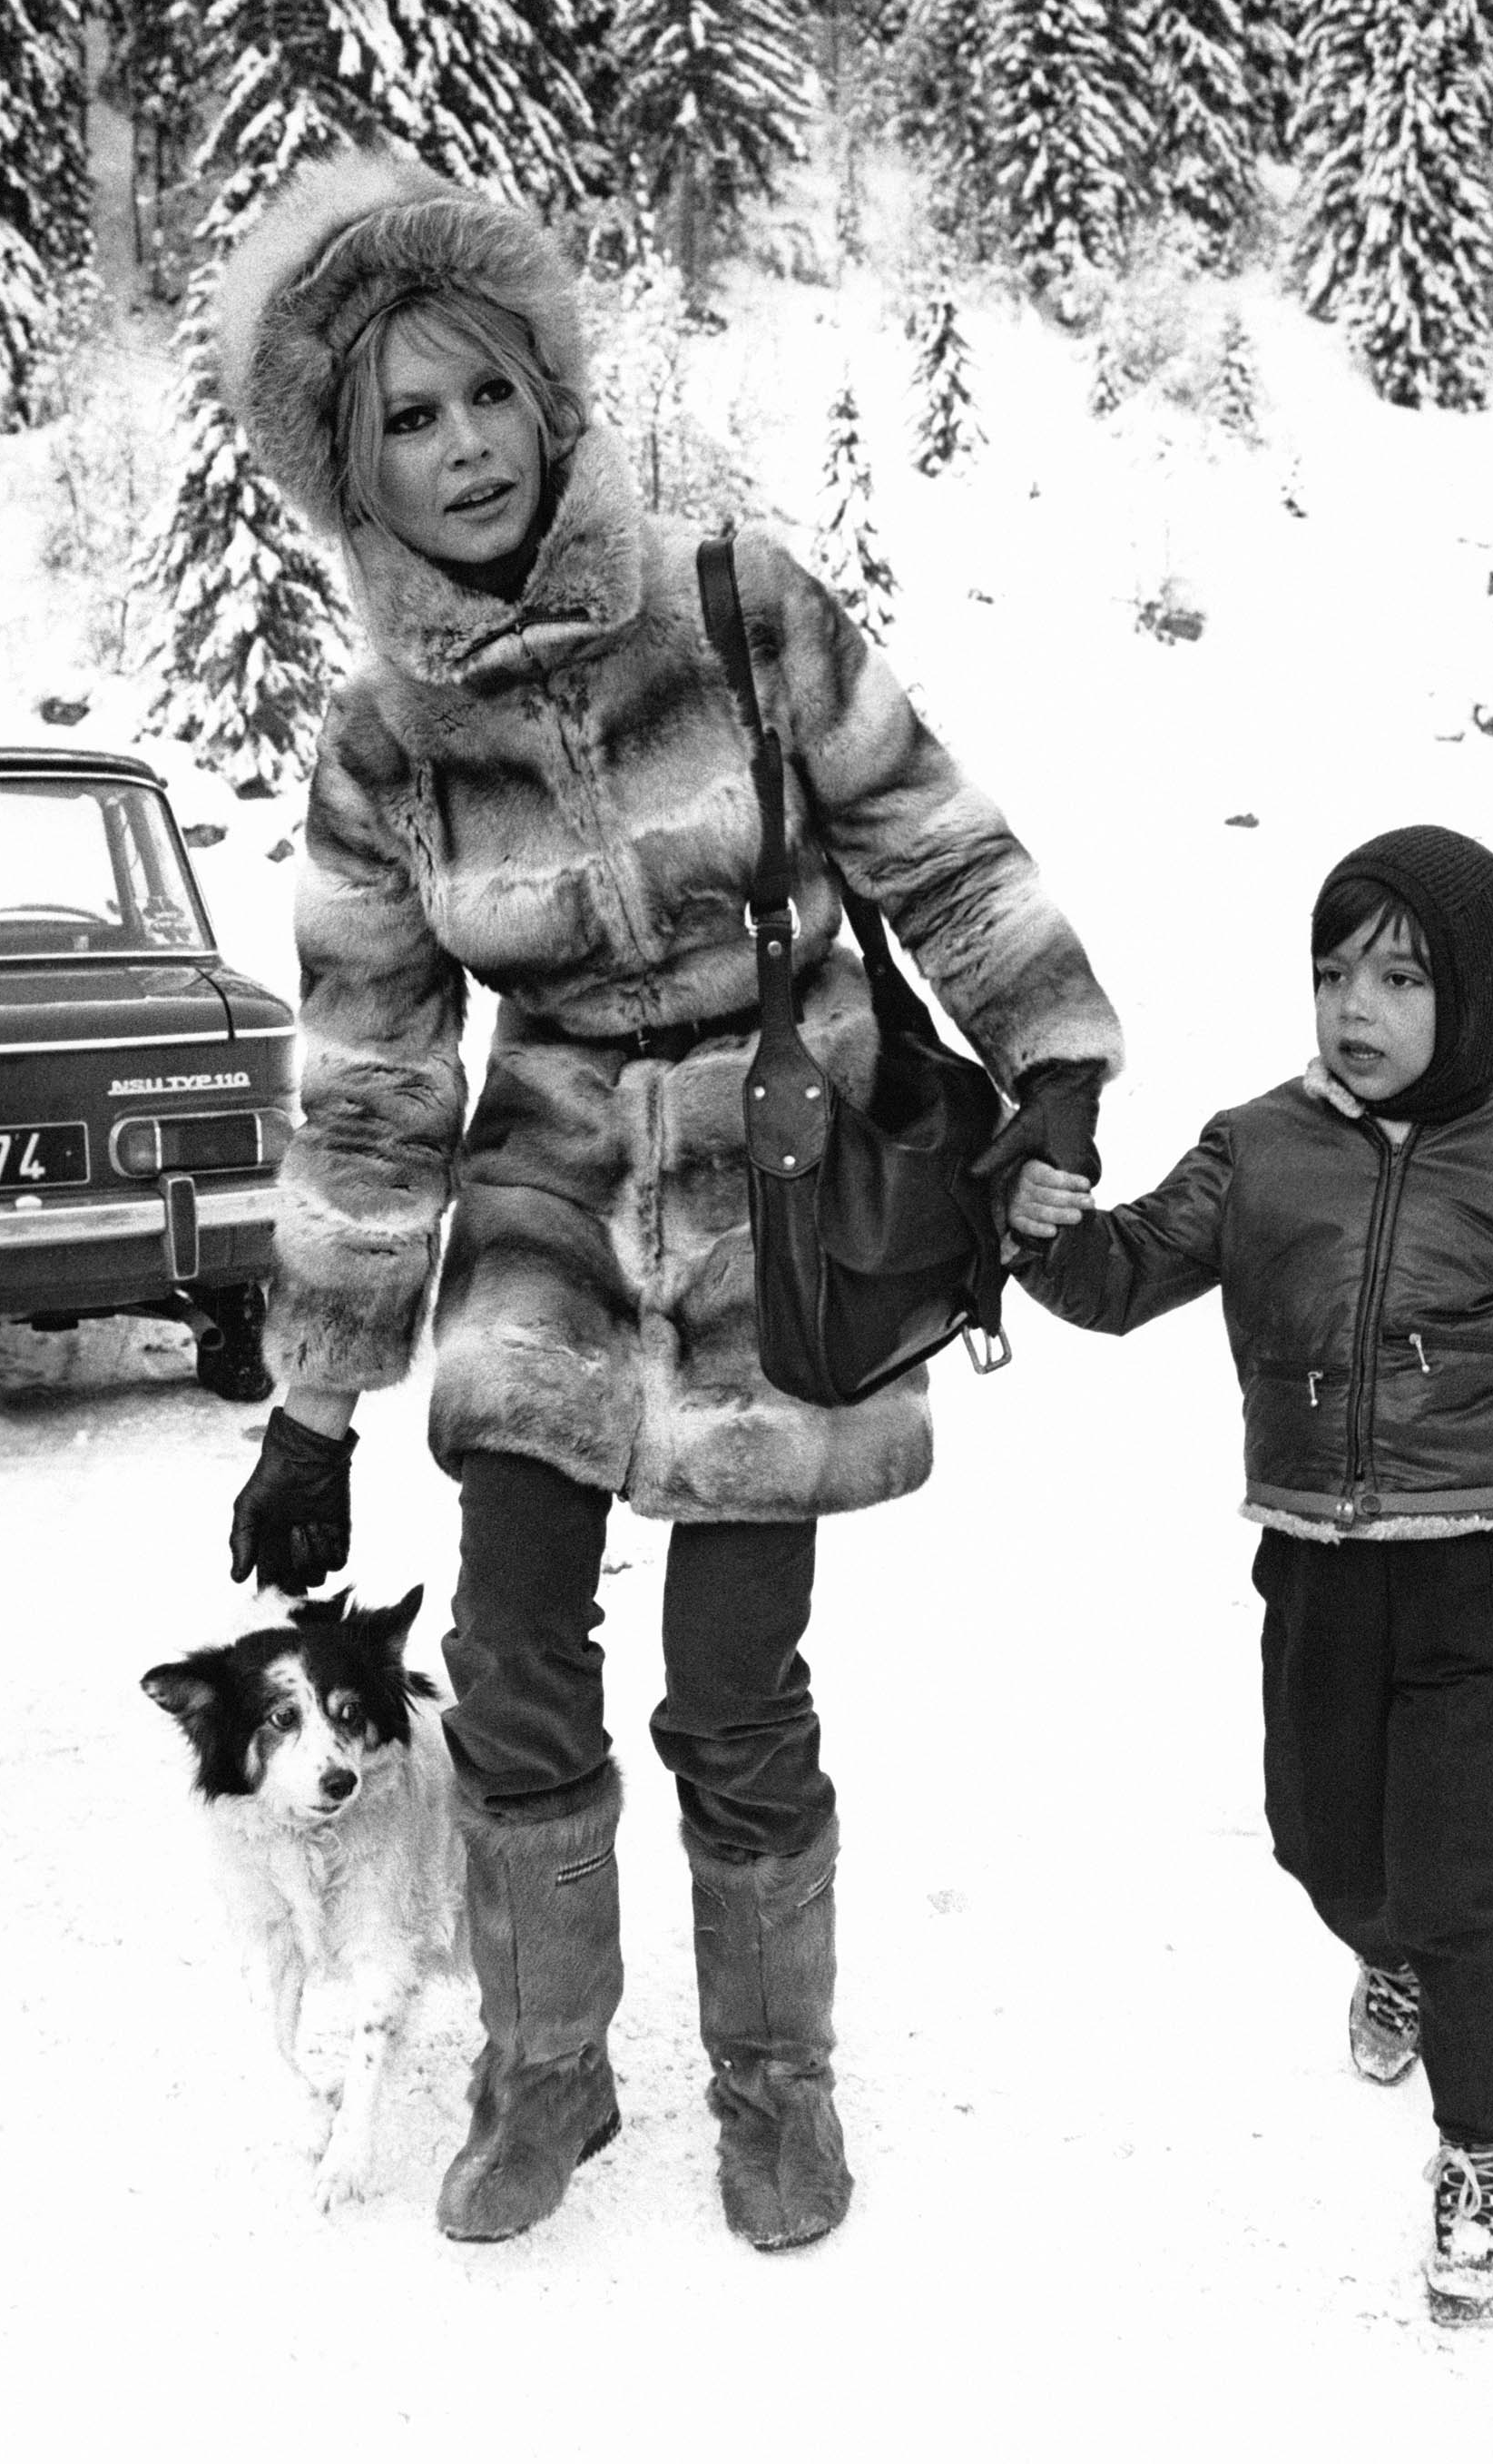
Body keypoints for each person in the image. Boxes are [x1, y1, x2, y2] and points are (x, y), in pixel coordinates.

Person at [216, 148, 1123, 2252]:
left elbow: (939, 846)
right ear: (351, 478)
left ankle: (778, 2080)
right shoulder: (385, 744)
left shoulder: (740, 604)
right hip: (539, 1200)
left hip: (776, 1184)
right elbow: (368, 1080)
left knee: (733, 1677)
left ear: (549, 392)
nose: (460, 451)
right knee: (518, 1658)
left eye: (484, 399)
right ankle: (546, 2071)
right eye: (403, 425)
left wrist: (1057, 1054)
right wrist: (315, 1399)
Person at [1005, 823, 1493, 2326]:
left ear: (1473, 998)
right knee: (1322, 1842)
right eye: (1335, 974)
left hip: (1475, 1585)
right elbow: (1123, 1276)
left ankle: (1487, 2149)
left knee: (1462, 1886)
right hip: (1316, 1572)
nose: (1357, 1009)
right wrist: (1043, 1238)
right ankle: (1381, 1951)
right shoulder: (1262, 1146)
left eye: (1399, 978)